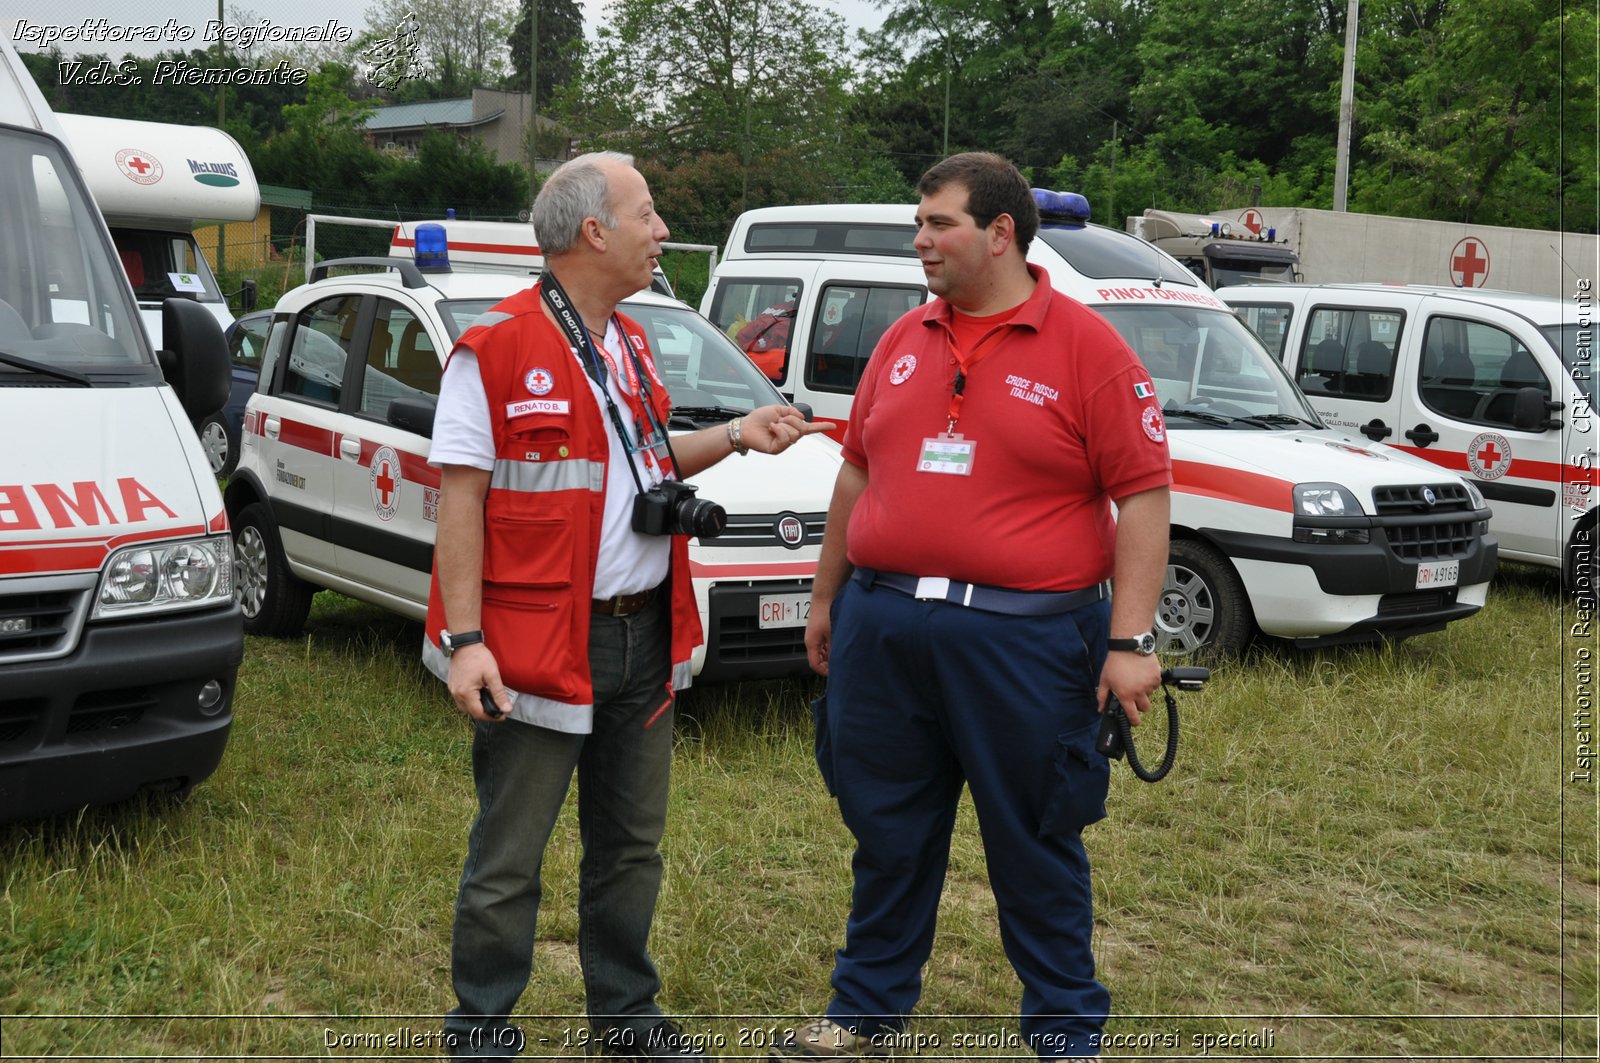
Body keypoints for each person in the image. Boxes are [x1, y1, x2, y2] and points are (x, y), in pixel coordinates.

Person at [421, 151, 831, 1060]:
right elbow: (458, 504)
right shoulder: (494, 349)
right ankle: (481, 1026)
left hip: (642, 632)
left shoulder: (632, 343)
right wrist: (465, 641)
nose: (662, 232)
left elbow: (643, 463)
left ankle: (628, 1017)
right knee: (509, 855)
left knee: (633, 846)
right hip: (534, 642)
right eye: (647, 214)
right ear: (594, 231)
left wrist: (735, 435)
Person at [781, 152, 1173, 1061]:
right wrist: (827, 597)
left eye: (939, 223)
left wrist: (1130, 640)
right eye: (919, 224)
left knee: (1036, 838)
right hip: (884, 628)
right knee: (887, 830)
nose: (921, 241)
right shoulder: (902, 338)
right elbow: (856, 473)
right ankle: (865, 1012)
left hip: (1026, 639)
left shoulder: (1088, 349)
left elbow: (1145, 499)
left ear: (1001, 233)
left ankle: (1066, 1028)